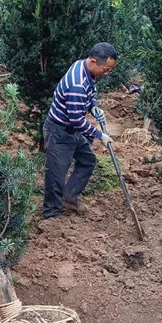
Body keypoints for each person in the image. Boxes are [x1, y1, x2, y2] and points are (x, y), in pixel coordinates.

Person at [42, 42, 118, 219]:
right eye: (106, 69)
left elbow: (89, 94)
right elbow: (76, 120)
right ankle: (51, 216)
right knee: (56, 175)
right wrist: (100, 136)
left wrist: (93, 107)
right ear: (93, 61)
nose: (107, 73)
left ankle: (69, 197)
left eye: (110, 70)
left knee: (88, 160)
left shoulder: (84, 67)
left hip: (73, 130)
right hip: (59, 131)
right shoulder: (77, 84)